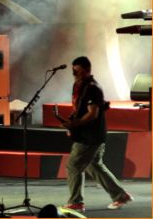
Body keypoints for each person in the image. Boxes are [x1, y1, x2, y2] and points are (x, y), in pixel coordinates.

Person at [56, 56, 133, 213]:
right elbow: (79, 108)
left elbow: (92, 114)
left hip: (90, 136)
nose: (74, 74)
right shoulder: (79, 86)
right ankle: (120, 195)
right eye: (73, 71)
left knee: (74, 165)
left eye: (77, 71)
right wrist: (71, 123)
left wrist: (75, 124)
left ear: (87, 70)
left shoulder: (92, 88)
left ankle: (76, 202)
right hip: (91, 135)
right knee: (94, 165)